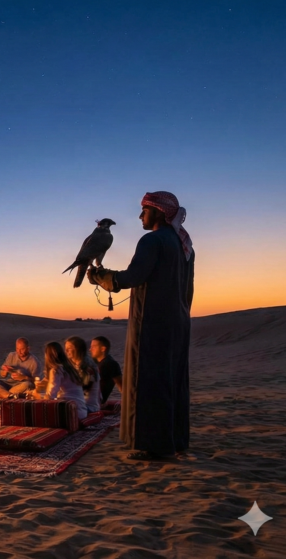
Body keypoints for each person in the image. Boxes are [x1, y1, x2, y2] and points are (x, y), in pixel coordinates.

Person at [89, 191, 195, 460]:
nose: (140, 216)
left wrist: (100, 276)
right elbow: (188, 291)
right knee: (173, 380)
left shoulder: (152, 240)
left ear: (159, 213)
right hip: (179, 323)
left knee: (149, 381)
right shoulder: (185, 246)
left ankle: (155, 447)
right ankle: (176, 441)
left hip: (152, 323)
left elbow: (131, 277)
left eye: (145, 211)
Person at [29, 342, 88, 420]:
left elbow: (50, 397)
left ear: (48, 356)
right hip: (82, 410)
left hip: (71, 411)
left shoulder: (56, 370)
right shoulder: (70, 368)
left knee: (34, 410)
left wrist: (37, 396)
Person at [65, 336, 101, 414]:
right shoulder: (74, 365)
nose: (66, 351)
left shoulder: (88, 367)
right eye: (66, 348)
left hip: (88, 406)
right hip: (79, 403)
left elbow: (83, 389)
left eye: (69, 348)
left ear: (78, 349)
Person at [90, 336, 122, 404]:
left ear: (103, 349)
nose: (90, 349)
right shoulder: (104, 363)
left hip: (92, 402)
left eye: (93, 347)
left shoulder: (108, 364)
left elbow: (121, 386)